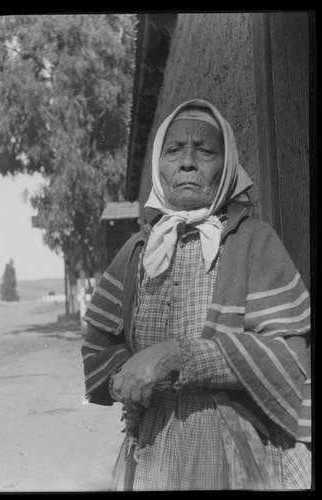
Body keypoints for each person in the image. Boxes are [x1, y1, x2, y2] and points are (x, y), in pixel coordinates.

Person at [81, 99, 311, 490]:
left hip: (237, 445)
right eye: (174, 151)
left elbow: (288, 356)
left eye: (205, 150)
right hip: (151, 447)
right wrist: (125, 375)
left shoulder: (254, 242)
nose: (188, 162)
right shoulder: (139, 251)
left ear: (227, 164)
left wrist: (178, 356)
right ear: (159, 165)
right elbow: (101, 344)